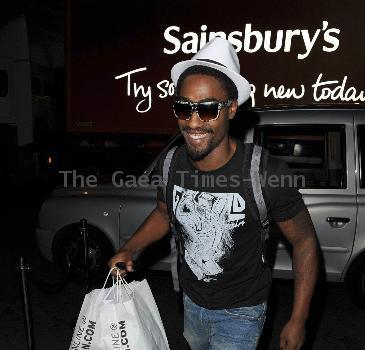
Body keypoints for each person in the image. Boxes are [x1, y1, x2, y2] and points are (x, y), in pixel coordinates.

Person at [109, 37, 318, 350]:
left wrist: (299, 318)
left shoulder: (265, 173)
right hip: (192, 303)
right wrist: (131, 247)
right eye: (183, 107)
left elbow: (304, 241)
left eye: (208, 110)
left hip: (241, 312)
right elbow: (164, 213)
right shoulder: (171, 162)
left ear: (231, 109)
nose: (193, 122)